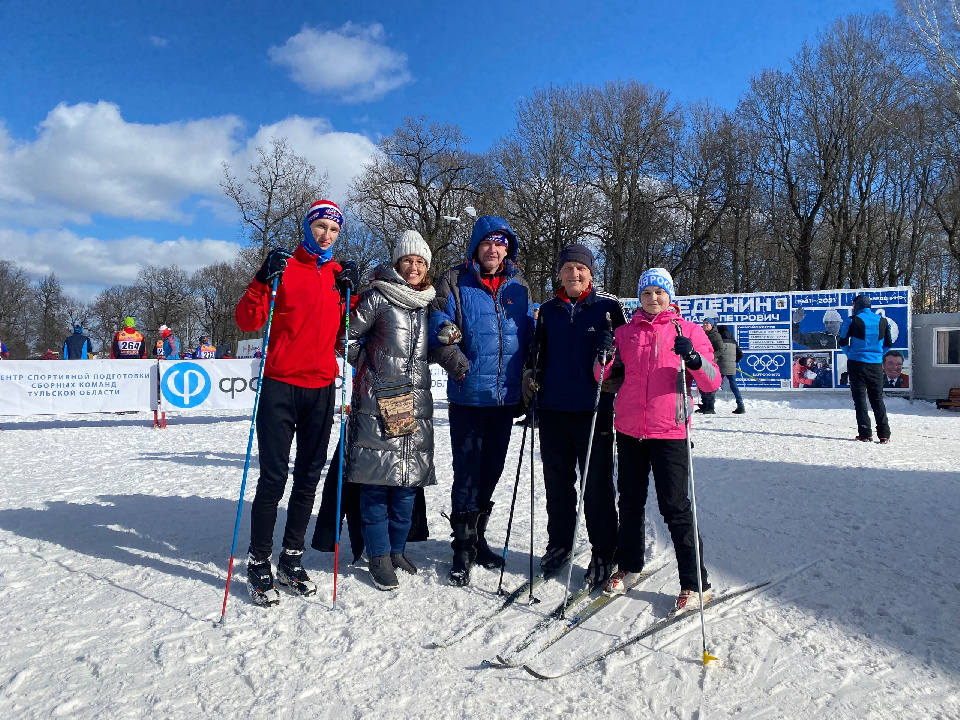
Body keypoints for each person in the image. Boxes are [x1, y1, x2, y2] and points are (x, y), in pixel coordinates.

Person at [234, 198, 359, 607]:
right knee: (273, 477)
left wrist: (354, 290)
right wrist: (259, 278)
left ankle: (291, 557)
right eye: (321, 226)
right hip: (280, 385)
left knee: (309, 475)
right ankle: (258, 561)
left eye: (334, 230)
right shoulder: (284, 267)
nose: (327, 235)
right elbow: (247, 321)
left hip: (321, 386)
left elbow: (352, 322)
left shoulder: (338, 276)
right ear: (308, 228)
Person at [596, 267, 720, 613]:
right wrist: (603, 354)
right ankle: (631, 565)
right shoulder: (625, 333)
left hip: (671, 430)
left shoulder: (689, 330)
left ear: (671, 296)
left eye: (659, 292)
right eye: (647, 293)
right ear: (640, 297)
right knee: (631, 502)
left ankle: (697, 583)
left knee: (675, 506)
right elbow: (602, 377)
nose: (653, 298)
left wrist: (693, 359)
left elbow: (712, 382)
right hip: (631, 428)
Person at [429, 215, 535, 586]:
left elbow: (528, 333)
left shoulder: (518, 284)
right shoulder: (455, 280)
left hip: (505, 399)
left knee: (492, 471)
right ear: (477, 246)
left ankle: (478, 539)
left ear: (508, 248)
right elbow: (438, 328)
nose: (494, 249)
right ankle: (461, 546)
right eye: (488, 243)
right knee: (468, 471)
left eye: (501, 243)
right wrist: (460, 367)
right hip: (469, 396)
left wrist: (532, 373)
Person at [338, 231, 437, 591]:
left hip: (414, 403)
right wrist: (370, 370)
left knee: (407, 483)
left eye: (420, 262)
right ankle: (377, 555)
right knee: (377, 483)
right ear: (397, 263)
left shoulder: (427, 303)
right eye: (408, 260)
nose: (413, 266)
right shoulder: (377, 297)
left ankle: (396, 549)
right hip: (379, 401)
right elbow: (345, 338)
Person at [524, 243, 626, 587]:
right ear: (560, 274)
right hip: (553, 410)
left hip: (593, 410)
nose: (574, 274)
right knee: (557, 483)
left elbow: (626, 358)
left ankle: (603, 550)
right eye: (568, 268)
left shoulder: (608, 309)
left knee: (596, 485)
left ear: (591, 274)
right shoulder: (549, 311)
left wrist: (615, 370)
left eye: (580, 269)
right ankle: (560, 543)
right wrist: (532, 375)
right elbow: (538, 354)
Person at [839, 294, 892, 443]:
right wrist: (878, 354)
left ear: (857, 306)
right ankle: (884, 435)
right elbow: (889, 343)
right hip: (875, 365)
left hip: (856, 363)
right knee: (877, 399)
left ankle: (865, 434)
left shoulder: (851, 320)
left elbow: (842, 341)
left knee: (860, 399)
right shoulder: (883, 321)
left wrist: (850, 353)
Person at [695, 317, 724, 414]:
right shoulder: (700, 334)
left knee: (710, 384)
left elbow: (721, 349)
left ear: (712, 325)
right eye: (704, 323)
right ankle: (705, 404)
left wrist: (711, 356)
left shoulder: (715, 336)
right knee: (701, 383)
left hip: (711, 363)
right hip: (701, 362)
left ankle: (710, 406)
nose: (705, 325)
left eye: (707, 323)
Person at [717, 325, 745, 413]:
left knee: (713, 385)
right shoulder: (733, 342)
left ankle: (709, 405)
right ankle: (740, 405)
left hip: (720, 367)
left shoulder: (719, 341)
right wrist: (734, 361)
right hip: (731, 367)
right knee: (734, 386)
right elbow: (741, 354)